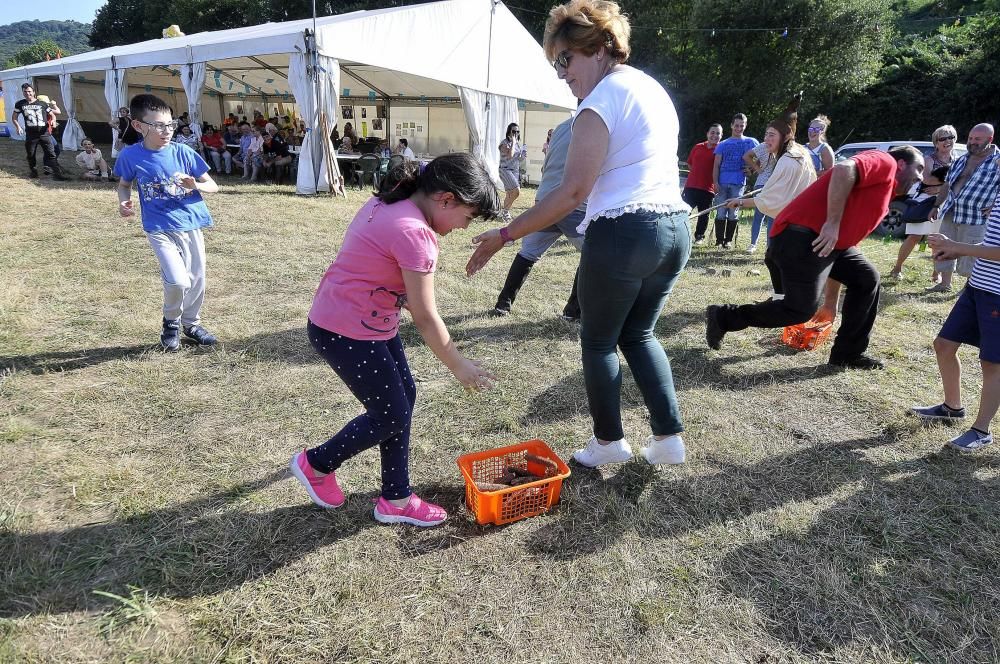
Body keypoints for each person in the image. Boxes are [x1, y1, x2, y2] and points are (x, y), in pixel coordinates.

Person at [467, 0, 691, 467]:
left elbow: (571, 192)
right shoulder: (650, 88)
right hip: (673, 229)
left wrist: (505, 235)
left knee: (598, 341)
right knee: (641, 335)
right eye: (557, 63)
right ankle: (669, 440)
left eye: (566, 60)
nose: (562, 73)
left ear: (602, 47)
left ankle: (608, 444)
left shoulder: (600, 100)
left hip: (625, 234)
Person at [289, 153, 500, 527]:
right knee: (390, 413)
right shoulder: (415, 233)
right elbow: (424, 315)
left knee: (402, 400)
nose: (465, 227)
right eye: (468, 217)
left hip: (358, 324)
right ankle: (318, 464)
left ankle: (396, 496)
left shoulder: (394, 200)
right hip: (346, 331)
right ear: (446, 199)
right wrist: (458, 364)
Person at [706, 145, 925, 369]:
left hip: (825, 243)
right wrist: (831, 223)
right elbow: (842, 170)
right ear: (901, 164)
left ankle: (847, 354)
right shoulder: (884, 162)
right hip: (799, 236)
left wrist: (830, 303)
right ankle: (724, 316)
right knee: (799, 310)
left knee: (866, 278)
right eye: (919, 168)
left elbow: (841, 249)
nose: (920, 176)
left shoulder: (884, 191)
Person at [114, 93, 220, 351]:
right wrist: (123, 201)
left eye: (169, 124)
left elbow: (213, 186)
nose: (166, 131)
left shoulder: (184, 152)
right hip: (159, 227)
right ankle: (170, 324)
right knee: (177, 280)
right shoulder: (130, 156)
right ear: (139, 126)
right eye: (159, 125)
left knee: (197, 278)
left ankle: (191, 324)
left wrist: (196, 185)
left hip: (191, 222)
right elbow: (124, 184)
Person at [911, 203, 1000, 451]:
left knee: (993, 363)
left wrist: (957, 247)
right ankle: (952, 407)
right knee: (944, 345)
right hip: (977, 286)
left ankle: (981, 430)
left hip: (997, 294)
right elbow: (992, 244)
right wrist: (958, 252)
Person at [491, 115, 586, 319]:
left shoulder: (561, 128)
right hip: (573, 204)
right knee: (591, 254)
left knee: (527, 253)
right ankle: (573, 311)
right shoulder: (595, 123)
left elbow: (546, 167)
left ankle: (503, 304)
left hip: (544, 200)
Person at [725, 94, 816, 259]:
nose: (766, 139)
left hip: (796, 228)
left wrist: (739, 201)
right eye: (766, 134)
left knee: (778, 265)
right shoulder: (798, 152)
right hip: (801, 224)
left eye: (772, 135)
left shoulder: (789, 161)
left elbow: (771, 200)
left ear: (786, 136)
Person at [926, 123, 1000, 293]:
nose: (972, 142)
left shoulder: (998, 161)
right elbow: (947, 184)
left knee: (973, 252)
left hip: (976, 217)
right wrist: (936, 205)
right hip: (952, 211)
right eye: (970, 138)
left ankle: (969, 287)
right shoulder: (962, 158)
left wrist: (996, 205)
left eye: (977, 139)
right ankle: (945, 284)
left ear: (990, 139)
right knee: (943, 246)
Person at [888, 124, 958, 281]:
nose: (947, 141)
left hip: (945, 203)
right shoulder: (929, 159)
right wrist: (944, 186)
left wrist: (941, 188)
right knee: (914, 236)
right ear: (936, 142)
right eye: (942, 138)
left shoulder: (958, 159)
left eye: (951, 137)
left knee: (939, 238)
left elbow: (958, 183)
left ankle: (936, 273)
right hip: (924, 202)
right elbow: (926, 179)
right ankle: (897, 267)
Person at [712, 113, 759, 247]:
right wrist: (715, 182)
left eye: (741, 126)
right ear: (732, 125)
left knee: (733, 212)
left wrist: (752, 169)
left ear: (745, 126)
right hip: (722, 183)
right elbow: (716, 164)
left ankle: (728, 241)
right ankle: (719, 240)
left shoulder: (751, 142)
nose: (739, 128)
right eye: (736, 125)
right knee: (721, 211)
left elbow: (764, 155)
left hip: (738, 184)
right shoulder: (723, 144)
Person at [11, 83, 67, 180]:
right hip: (31, 134)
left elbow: (53, 114)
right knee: (31, 154)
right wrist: (18, 127)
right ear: (23, 92)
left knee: (51, 153)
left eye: (29, 91)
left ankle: (57, 175)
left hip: (44, 133)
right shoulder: (20, 104)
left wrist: (53, 121)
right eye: (25, 91)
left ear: (33, 92)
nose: (27, 93)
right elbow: (14, 117)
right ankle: (33, 172)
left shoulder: (42, 104)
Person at [683, 124, 721, 245]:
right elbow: (690, 163)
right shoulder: (698, 147)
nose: (715, 135)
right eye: (713, 132)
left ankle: (699, 236)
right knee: (684, 212)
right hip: (691, 186)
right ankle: (681, 234)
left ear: (721, 136)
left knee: (704, 215)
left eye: (718, 133)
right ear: (708, 133)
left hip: (708, 189)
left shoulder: (721, 150)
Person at [742, 129, 778, 253]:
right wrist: (757, 168)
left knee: (772, 217)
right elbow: (746, 156)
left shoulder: (781, 148)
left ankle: (769, 246)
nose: (768, 137)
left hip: (775, 185)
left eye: (771, 135)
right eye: (767, 134)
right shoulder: (762, 146)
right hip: (762, 183)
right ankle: (753, 244)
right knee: (759, 214)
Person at [498, 122, 526, 222]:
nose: (516, 133)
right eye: (514, 131)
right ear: (509, 132)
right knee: (516, 191)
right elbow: (510, 155)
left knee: (510, 193)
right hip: (505, 170)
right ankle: (505, 211)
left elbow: (518, 159)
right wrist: (513, 142)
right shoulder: (504, 143)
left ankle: (505, 213)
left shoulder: (517, 144)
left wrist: (522, 155)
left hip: (514, 170)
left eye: (517, 131)